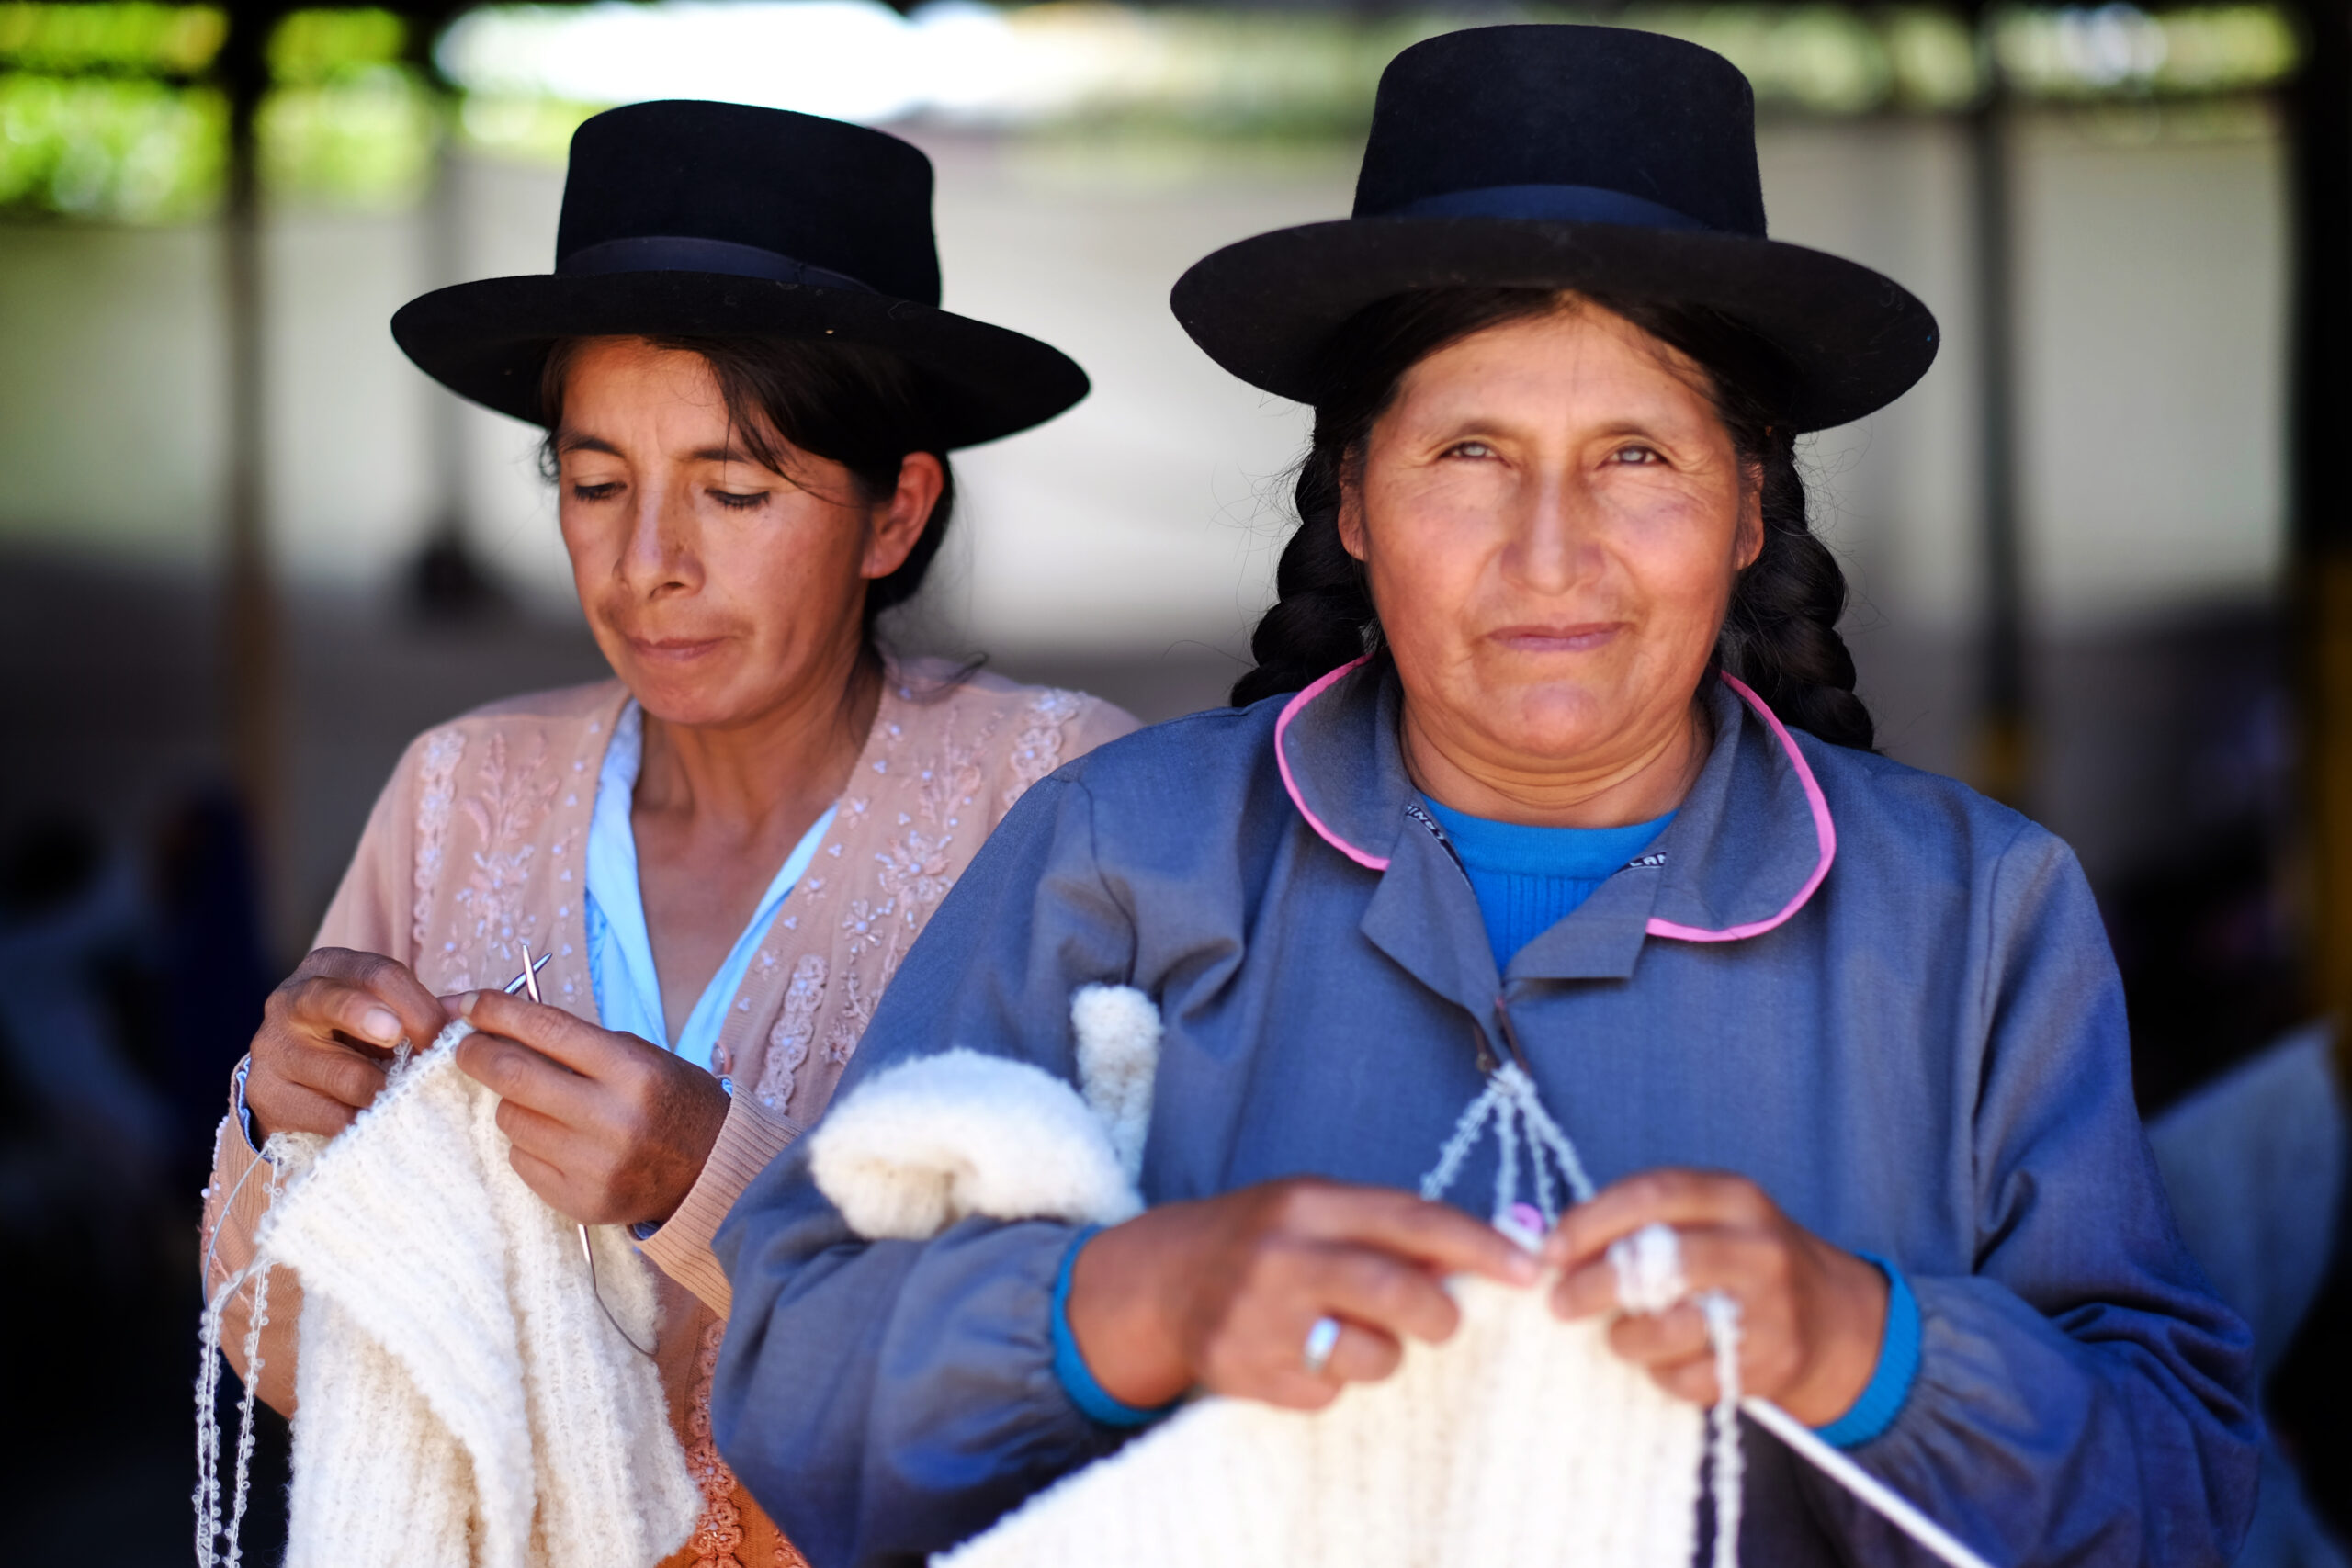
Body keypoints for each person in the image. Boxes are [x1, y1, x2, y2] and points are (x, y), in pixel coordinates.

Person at [710, 28, 2258, 1568]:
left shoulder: (1974, 911)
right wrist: (1137, 1302)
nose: (1550, 554)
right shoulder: (1120, 855)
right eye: (1469, 451)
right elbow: (793, 1371)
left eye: (1637, 455)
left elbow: (2181, 1485)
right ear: (1356, 503)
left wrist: (1866, 1344)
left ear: (1746, 509)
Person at [198, 100, 1136, 1567]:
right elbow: (299, 1350)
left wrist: (714, 1177)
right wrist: (283, 1129)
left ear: (894, 513)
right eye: (594, 485)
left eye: (736, 490)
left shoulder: (1061, 797)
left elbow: (1107, 1334)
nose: (651, 567)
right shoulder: (460, 794)